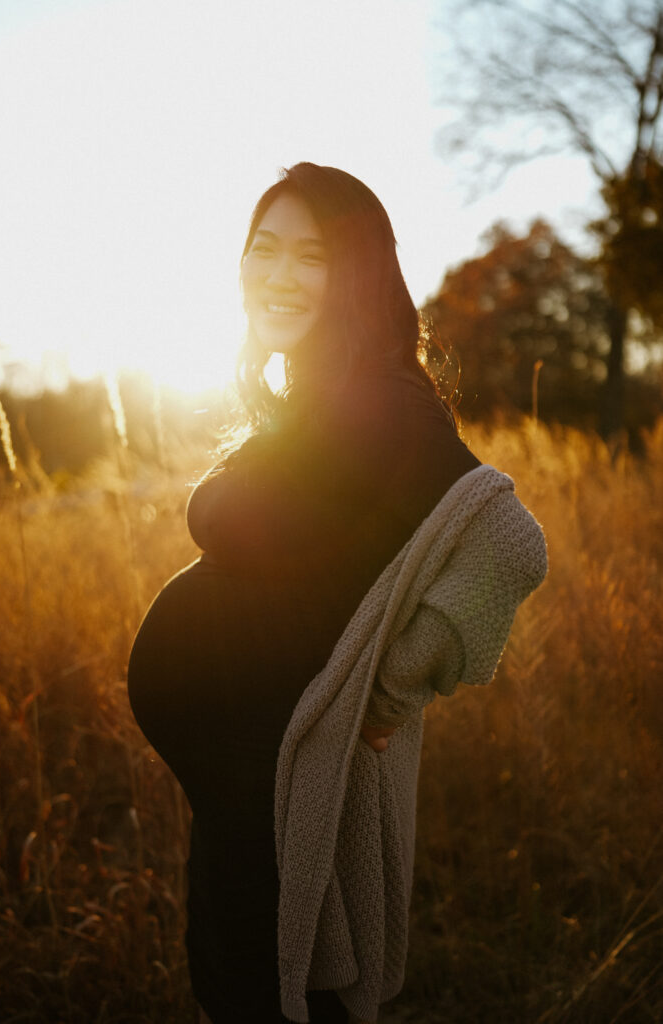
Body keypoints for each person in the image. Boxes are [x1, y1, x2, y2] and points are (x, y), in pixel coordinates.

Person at [127, 163, 547, 1024]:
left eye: (308, 255)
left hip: (292, 784)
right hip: (247, 786)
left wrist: (386, 692)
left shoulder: (384, 404)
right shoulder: (316, 402)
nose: (277, 274)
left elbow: (510, 544)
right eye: (263, 250)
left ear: (354, 269)